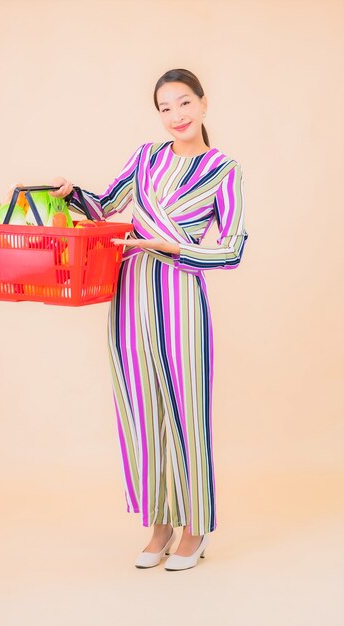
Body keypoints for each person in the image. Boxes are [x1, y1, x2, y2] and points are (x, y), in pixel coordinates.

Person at [49, 68, 249, 571]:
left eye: (184, 104)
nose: (176, 116)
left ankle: (196, 526)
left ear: (204, 104)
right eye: (165, 108)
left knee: (186, 412)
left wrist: (172, 245)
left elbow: (231, 249)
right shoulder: (146, 158)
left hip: (180, 295)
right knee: (141, 412)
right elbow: (104, 208)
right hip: (130, 293)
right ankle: (159, 524)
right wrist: (73, 192)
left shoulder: (224, 169)